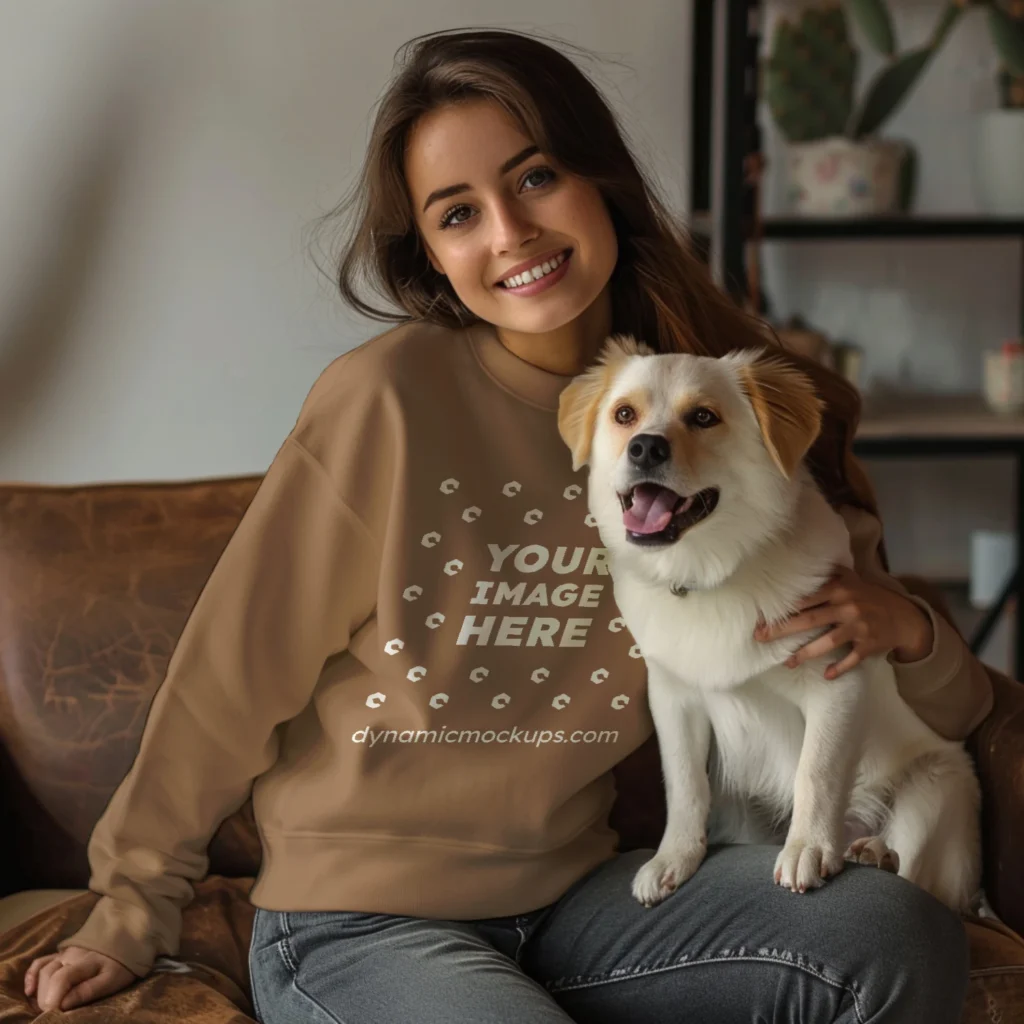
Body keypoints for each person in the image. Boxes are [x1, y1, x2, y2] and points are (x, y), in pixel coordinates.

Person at [24, 27, 993, 1023]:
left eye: (534, 178)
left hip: (579, 902)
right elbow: (229, 675)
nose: (509, 233)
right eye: (458, 214)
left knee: (885, 935)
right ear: (436, 259)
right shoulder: (387, 402)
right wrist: (129, 906)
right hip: (359, 921)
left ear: (599, 179)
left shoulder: (718, 409)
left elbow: (913, 698)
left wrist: (911, 631)